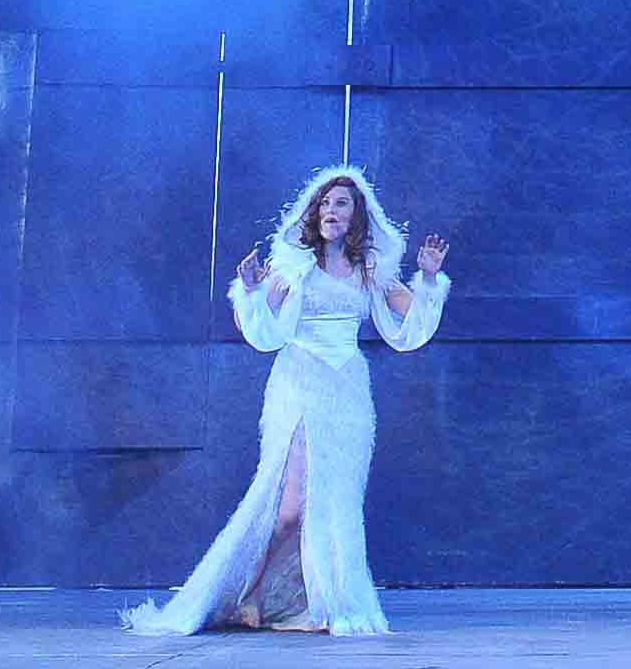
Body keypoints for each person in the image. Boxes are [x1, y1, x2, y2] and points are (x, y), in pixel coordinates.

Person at [117, 166, 452, 637]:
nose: (331, 211)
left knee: (334, 502)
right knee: (290, 507)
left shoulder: (369, 270)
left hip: (348, 393)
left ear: (356, 215)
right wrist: (252, 290)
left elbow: (412, 322)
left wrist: (429, 279)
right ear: (313, 213)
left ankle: (319, 598)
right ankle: (247, 594)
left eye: (341, 204)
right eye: (325, 204)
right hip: (299, 384)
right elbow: (260, 327)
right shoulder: (293, 265)